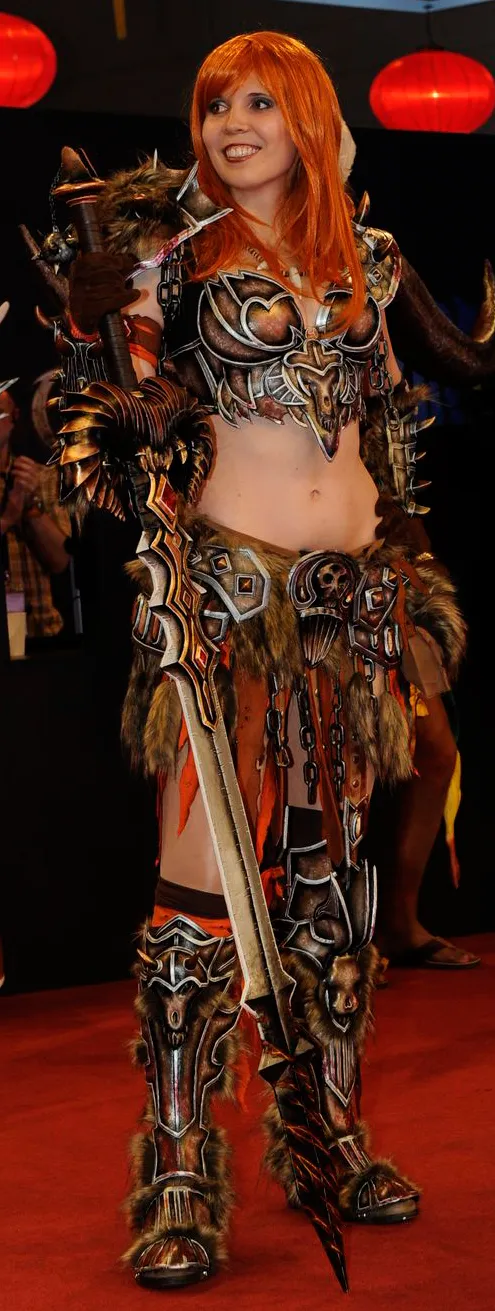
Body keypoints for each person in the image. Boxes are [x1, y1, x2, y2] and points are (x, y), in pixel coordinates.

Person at [50, 31, 494, 1289]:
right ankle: (180, 1169)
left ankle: (325, 1136)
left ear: (308, 118)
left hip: (349, 611)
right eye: (213, 105)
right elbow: (102, 416)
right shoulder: (172, 258)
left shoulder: (370, 262)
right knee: (199, 894)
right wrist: (94, 336)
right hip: (226, 604)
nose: (232, 123)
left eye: (258, 101)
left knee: (329, 892)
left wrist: (411, 581)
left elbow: (389, 436)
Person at [0, 384, 71, 646]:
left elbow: (60, 561)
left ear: (14, 416)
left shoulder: (40, 478)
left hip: (41, 630)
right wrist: (8, 518)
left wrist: (31, 505)